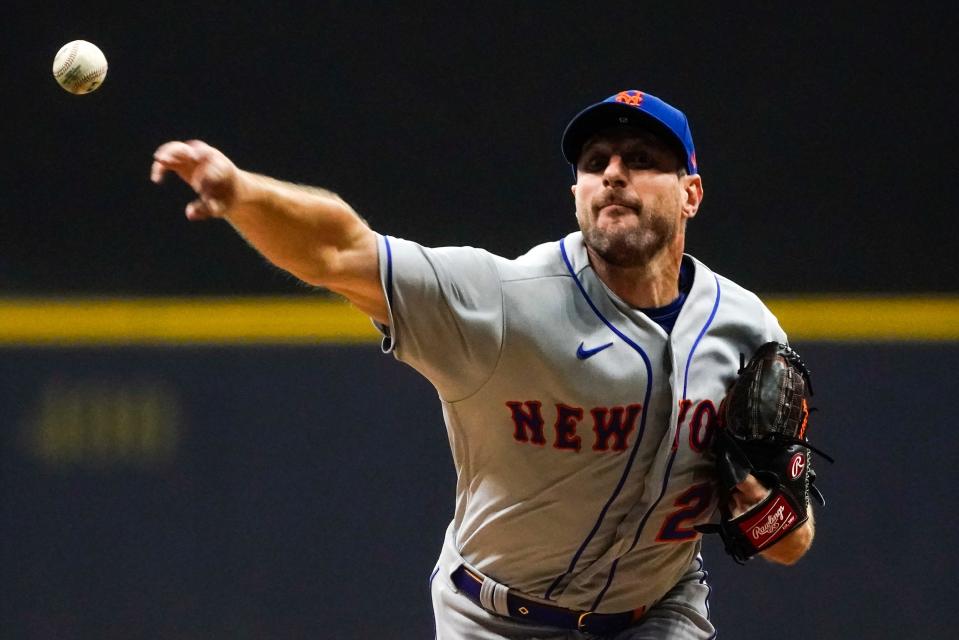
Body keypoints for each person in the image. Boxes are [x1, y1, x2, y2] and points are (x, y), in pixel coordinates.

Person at [151, 89, 815, 639]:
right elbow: (338, 252)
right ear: (576, 195)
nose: (612, 173)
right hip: (495, 620)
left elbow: (792, 542)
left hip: (658, 614)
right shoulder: (505, 302)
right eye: (593, 163)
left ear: (690, 193)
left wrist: (759, 506)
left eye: (640, 160)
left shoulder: (746, 330)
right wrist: (241, 193)